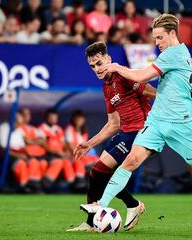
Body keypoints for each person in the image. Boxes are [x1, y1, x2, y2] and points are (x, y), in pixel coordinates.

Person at [79, 14, 192, 220]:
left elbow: (141, 76)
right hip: (156, 121)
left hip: (181, 124)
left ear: (172, 34)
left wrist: (116, 67)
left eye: (159, 38)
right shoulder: (183, 55)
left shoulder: (172, 55)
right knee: (130, 161)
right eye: (154, 38)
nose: (156, 43)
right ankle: (101, 206)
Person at [68, 41, 157, 232]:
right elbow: (113, 124)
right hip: (125, 131)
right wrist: (88, 144)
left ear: (108, 59)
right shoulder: (107, 86)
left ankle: (93, 221)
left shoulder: (124, 75)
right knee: (97, 174)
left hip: (140, 132)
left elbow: (154, 93)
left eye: (99, 63)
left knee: (99, 170)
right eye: (92, 66)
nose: (97, 69)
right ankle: (132, 205)